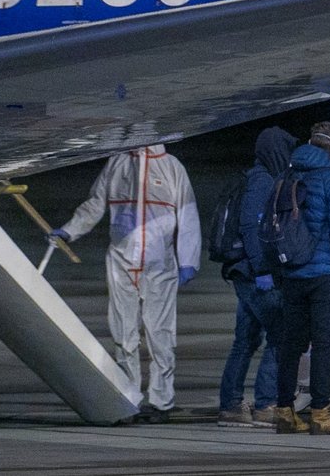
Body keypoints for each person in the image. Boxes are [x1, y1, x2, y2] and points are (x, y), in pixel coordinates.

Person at [50, 144, 201, 424]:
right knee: (123, 332)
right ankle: (127, 398)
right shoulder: (117, 163)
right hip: (121, 259)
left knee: (161, 335)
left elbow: (187, 213)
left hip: (160, 263)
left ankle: (161, 402)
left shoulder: (171, 166)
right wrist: (71, 230)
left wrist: (188, 258)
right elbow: (96, 202)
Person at [275, 122, 330, 435]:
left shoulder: (288, 175)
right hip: (326, 275)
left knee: (291, 346)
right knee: (323, 346)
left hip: (293, 272)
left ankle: (284, 411)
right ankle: (321, 415)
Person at [217, 127, 297, 428]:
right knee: (280, 336)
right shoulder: (263, 181)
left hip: (243, 272)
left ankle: (231, 406)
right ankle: (265, 404)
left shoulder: (255, 177)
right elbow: (252, 228)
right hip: (253, 274)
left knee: (246, 340)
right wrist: (263, 270)